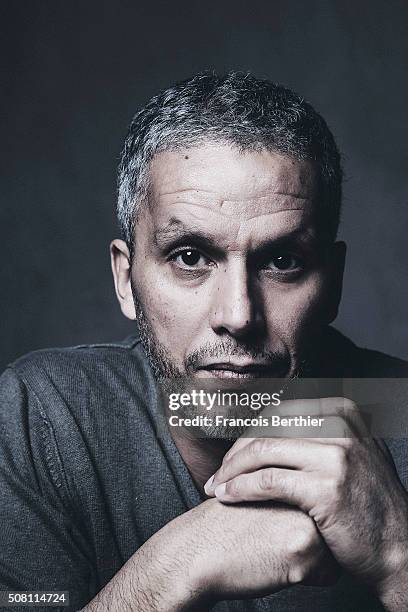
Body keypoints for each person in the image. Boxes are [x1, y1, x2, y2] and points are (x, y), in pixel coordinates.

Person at [1, 72, 407, 612]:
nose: (238, 315)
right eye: (190, 257)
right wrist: (173, 570)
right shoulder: (44, 419)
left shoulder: (399, 411)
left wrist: (397, 555)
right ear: (127, 280)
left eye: (282, 261)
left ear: (332, 283)